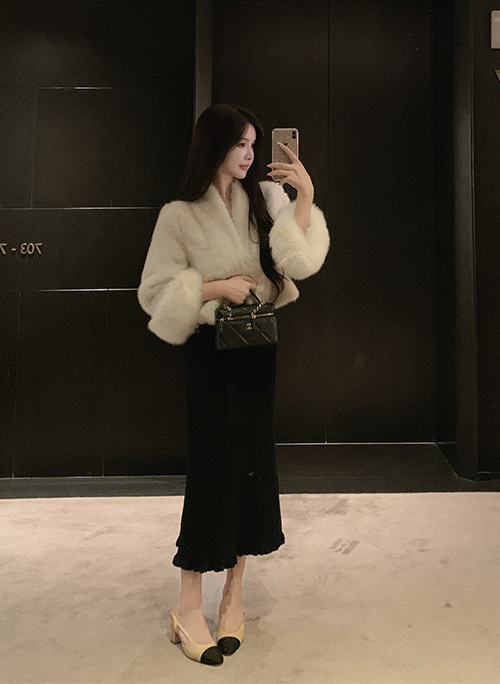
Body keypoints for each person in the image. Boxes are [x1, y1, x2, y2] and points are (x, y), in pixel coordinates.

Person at [137, 103, 330, 666]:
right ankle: (187, 603)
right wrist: (214, 288)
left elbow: (299, 264)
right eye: (240, 143)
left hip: (257, 350)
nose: (249, 154)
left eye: (253, 144)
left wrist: (305, 196)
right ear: (214, 146)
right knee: (211, 469)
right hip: (210, 354)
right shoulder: (178, 215)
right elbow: (154, 294)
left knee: (250, 465)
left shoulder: (264, 201)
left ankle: (233, 595)